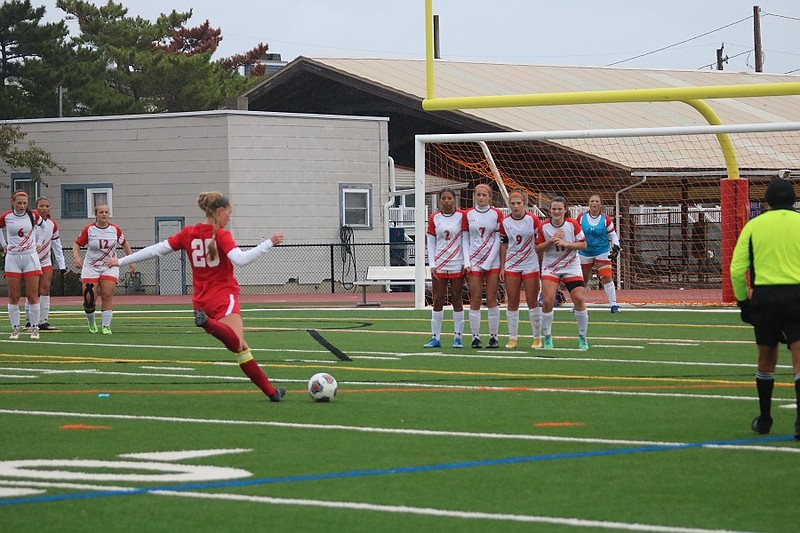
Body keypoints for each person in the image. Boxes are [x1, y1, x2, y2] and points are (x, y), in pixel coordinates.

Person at [108, 192, 286, 403]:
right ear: (219, 212)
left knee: (241, 347)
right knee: (238, 344)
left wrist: (120, 262)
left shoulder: (189, 233)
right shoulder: (221, 234)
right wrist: (269, 243)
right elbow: (241, 260)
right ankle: (209, 323)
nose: (230, 217)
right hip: (222, 297)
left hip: (201, 301)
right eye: (229, 213)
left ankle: (271, 392)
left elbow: (157, 250)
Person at [730, 178, 800, 439]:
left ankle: (765, 419)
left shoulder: (754, 225)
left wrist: (743, 303)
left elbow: (737, 269)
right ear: (793, 199)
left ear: (768, 202)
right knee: (799, 362)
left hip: (766, 297)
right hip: (797, 294)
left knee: (766, 361)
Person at [536, 195, 589, 350]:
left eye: (560, 209)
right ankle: (547, 336)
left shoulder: (572, 224)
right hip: (551, 266)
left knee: (578, 298)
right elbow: (538, 248)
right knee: (548, 300)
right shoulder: (544, 226)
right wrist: (551, 240)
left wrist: (567, 243)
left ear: (565, 210)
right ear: (550, 210)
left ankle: (582, 337)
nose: (557, 212)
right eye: (554, 209)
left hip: (571, 265)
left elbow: (584, 244)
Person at [72, 204, 135, 335]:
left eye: (106, 212)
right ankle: (91, 322)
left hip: (109, 266)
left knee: (107, 294)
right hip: (91, 267)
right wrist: (77, 257)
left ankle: (106, 326)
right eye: (101, 212)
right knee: (89, 298)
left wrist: (131, 260)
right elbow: (77, 244)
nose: (104, 214)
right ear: (96, 214)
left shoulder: (115, 229)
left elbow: (124, 244)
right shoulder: (88, 230)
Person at [499, 189, 544, 349]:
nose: (516, 206)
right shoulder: (505, 222)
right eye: (513, 203)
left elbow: (540, 243)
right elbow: (504, 244)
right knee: (512, 301)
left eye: (519, 203)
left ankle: (537, 337)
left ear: (524, 204)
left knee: (532, 300)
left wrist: (541, 265)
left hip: (530, 264)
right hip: (512, 264)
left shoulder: (533, 220)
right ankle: (512, 338)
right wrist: (502, 266)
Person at [424, 188, 468, 349]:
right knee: (438, 299)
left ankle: (458, 337)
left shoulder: (461, 216)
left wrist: (465, 261)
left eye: (449, 198)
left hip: (457, 262)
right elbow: (431, 242)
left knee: (457, 298)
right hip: (440, 263)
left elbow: (464, 239)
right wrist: (432, 264)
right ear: (440, 200)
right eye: (444, 198)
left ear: (454, 199)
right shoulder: (434, 217)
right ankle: (435, 337)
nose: (447, 201)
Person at [462, 183, 503, 349]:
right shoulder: (468, 214)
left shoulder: (496, 214)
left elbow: (497, 240)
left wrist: (488, 262)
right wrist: (467, 261)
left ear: (489, 197)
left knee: (492, 297)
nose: (480, 198)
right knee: (476, 298)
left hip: (492, 262)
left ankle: (494, 337)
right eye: (478, 195)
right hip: (474, 261)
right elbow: (465, 239)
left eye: (483, 195)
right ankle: (475, 337)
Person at [0, 191, 43, 340]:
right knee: (13, 295)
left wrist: (39, 242)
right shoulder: (6, 216)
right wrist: (3, 244)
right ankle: (15, 328)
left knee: (32, 295)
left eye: (25, 203)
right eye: (19, 203)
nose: (23, 206)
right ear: (13, 202)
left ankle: (35, 327)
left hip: (30, 257)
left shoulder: (33, 215)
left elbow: (43, 228)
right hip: (13, 258)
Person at [24, 197, 67, 331]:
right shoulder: (28, 220)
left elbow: (57, 245)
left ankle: (43, 321)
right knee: (32, 290)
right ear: (36, 206)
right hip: (30, 260)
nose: (44, 208)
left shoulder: (52, 224)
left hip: (45, 261)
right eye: (41, 206)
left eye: (47, 206)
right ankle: (29, 321)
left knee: (45, 289)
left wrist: (62, 264)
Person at [578, 194, 621, 313]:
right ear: (589, 203)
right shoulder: (581, 217)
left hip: (602, 251)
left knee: (606, 276)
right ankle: (579, 304)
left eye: (596, 201)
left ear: (600, 204)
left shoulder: (605, 219)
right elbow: (574, 231)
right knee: (582, 280)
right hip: (584, 252)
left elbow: (612, 235)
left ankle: (613, 304)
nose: (594, 203)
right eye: (592, 201)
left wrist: (616, 247)